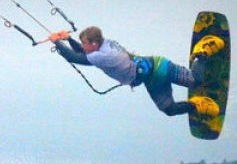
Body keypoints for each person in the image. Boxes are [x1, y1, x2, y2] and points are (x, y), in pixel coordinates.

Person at [48, 26, 224, 117]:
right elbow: (81, 51)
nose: (83, 46)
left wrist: (57, 42)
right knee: (169, 110)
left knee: (196, 81)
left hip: (159, 68)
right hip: (152, 79)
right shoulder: (104, 43)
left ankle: (202, 51)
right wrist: (68, 38)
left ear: (94, 44)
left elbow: (74, 57)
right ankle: (198, 104)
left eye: (85, 43)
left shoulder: (103, 56)